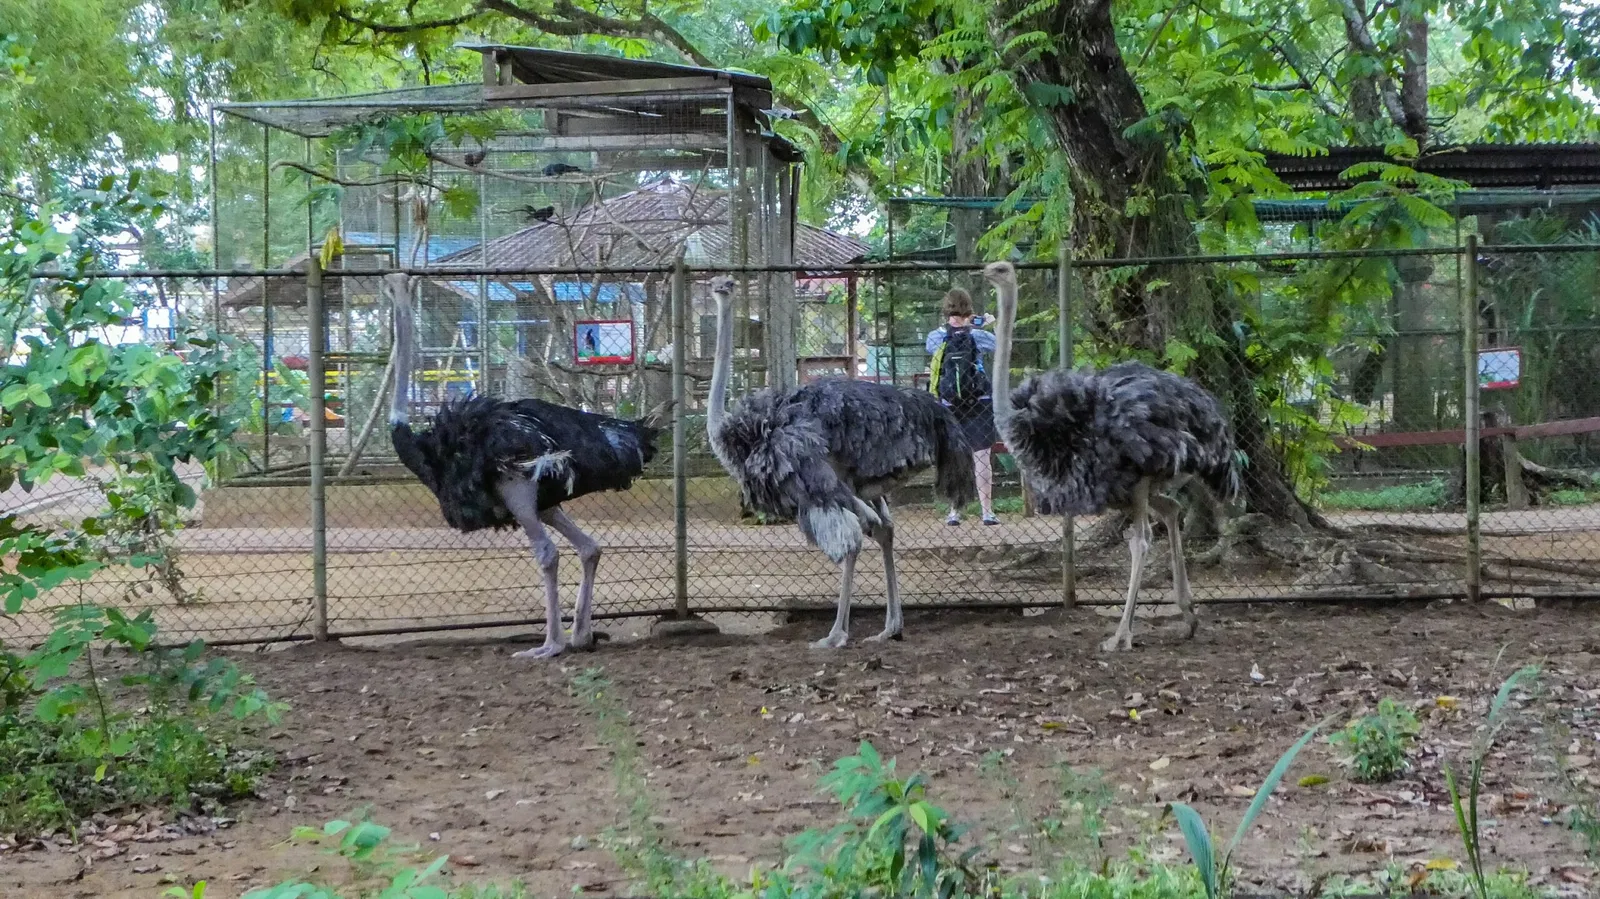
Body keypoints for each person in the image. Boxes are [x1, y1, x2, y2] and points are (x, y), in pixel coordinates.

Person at [925, 287, 999, 526]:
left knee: (954, 458)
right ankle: (987, 512)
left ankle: (955, 511)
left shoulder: (936, 337)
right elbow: (997, 344)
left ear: (945, 310)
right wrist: (985, 324)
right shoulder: (977, 336)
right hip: (979, 402)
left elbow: (932, 352)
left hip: (949, 404)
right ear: (969, 308)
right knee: (982, 457)